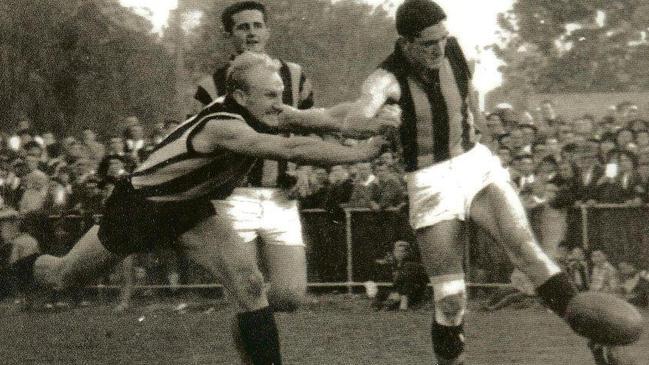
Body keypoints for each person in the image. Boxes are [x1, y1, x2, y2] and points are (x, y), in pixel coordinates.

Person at [278, 1, 639, 363]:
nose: (439, 48)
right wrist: (372, 122)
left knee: (527, 251)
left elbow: (463, 99)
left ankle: (598, 339)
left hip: (474, 164)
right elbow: (356, 116)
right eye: (428, 43)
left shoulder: (451, 49)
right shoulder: (384, 79)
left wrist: (480, 128)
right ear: (405, 43)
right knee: (450, 297)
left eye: (442, 38)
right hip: (430, 181)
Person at [8, 52, 399, 365]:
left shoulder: (262, 110)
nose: (279, 105)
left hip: (189, 210)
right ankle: (11, 264)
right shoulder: (224, 124)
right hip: (141, 208)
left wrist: (377, 118)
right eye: (270, 96)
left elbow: (330, 117)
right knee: (64, 277)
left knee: (247, 283)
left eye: (280, 94)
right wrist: (361, 152)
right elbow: (290, 148)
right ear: (241, 96)